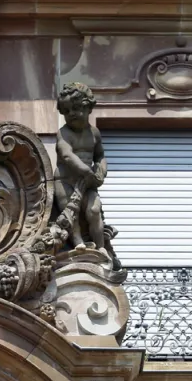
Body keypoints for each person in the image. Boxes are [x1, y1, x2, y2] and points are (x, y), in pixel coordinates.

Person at [54, 82, 108, 254]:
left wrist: (101, 171)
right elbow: (67, 155)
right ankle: (78, 244)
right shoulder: (63, 133)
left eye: (76, 109)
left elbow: (99, 156)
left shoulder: (94, 133)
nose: (71, 114)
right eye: (66, 110)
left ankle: (101, 247)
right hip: (65, 180)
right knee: (71, 214)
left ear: (88, 108)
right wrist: (86, 171)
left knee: (94, 210)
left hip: (88, 182)